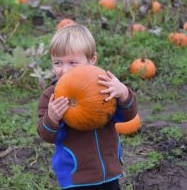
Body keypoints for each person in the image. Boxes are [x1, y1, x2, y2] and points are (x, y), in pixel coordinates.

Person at [37, 24, 138, 190]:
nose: (64, 70)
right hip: (76, 176)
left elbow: (128, 116)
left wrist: (124, 94)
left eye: (72, 62)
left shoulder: (104, 87)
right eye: (58, 63)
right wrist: (52, 118)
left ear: (91, 60)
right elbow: (46, 135)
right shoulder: (51, 97)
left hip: (110, 171)